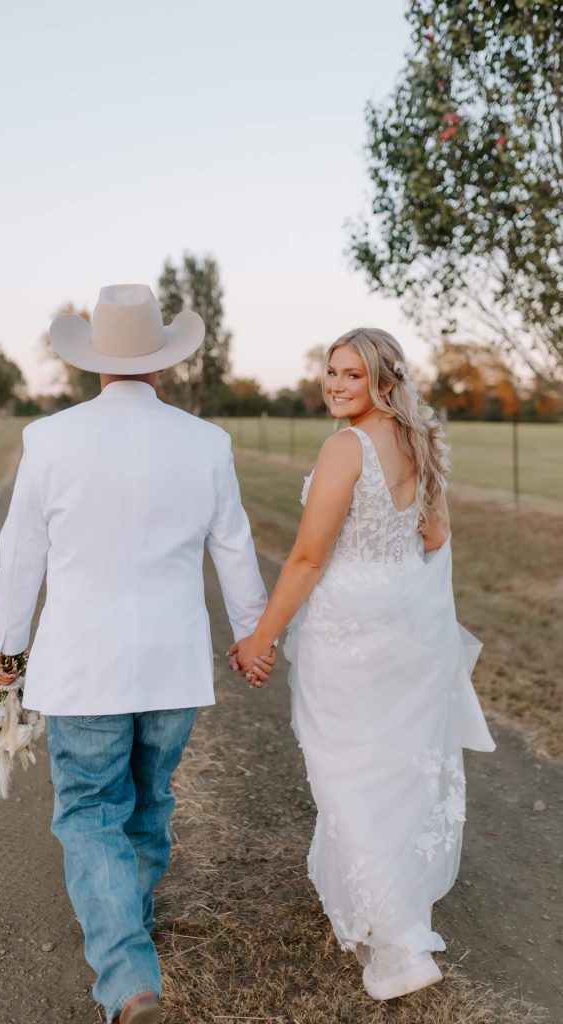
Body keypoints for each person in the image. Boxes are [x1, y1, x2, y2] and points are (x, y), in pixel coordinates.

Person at [0, 283, 276, 1024]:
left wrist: (7, 653)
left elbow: (21, 555)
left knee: (89, 810)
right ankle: (128, 928)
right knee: (149, 802)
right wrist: (252, 638)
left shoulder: (50, 440)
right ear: (164, 365)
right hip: (172, 667)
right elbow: (235, 549)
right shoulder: (206, 442)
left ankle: (127, 981)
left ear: (93, 366)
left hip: (84, 667)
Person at [231, 327, 495, 1001]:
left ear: (383, 380)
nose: (335, 385)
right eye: (331, 372)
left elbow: (309, 559)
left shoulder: (345, 447)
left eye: (352, 374)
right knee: (391, 769)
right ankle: (395, 914)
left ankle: (400, 943)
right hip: (405, 630)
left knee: (347, 770)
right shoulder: (417, 443)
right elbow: (434, 537)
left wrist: (261, 637)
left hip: (348, 633)